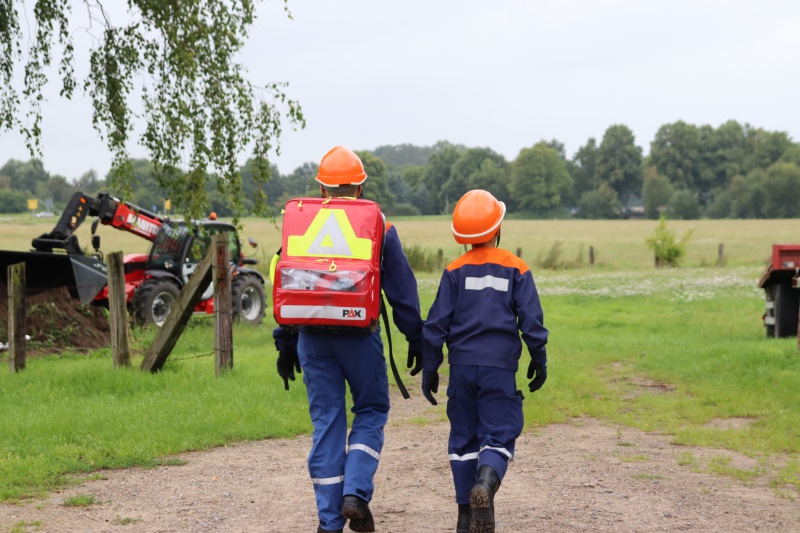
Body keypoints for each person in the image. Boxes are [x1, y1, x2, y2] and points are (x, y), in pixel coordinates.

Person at [273, 146, 424, 533]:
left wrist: (285, 344)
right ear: (360, 188)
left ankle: (328, 523)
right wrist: (415, 336)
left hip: (311, 338)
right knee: (371, 411)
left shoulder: (300, 226)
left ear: (322, 188)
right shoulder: (379, 225)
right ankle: (356, 493)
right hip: (359, 335)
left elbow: (289, 286)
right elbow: (401, 291)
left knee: (327, 423)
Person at [421, 189, 549, 533]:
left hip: (462, 369)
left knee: (463, 439)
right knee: (499, 434)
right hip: (499, 368)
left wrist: (431, 367)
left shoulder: (454, 270)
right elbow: (532, 322)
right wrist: (539, 357)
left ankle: (466, 516)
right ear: (498, 228)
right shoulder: (516, 267)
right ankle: (486, 485)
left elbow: (435, 325)